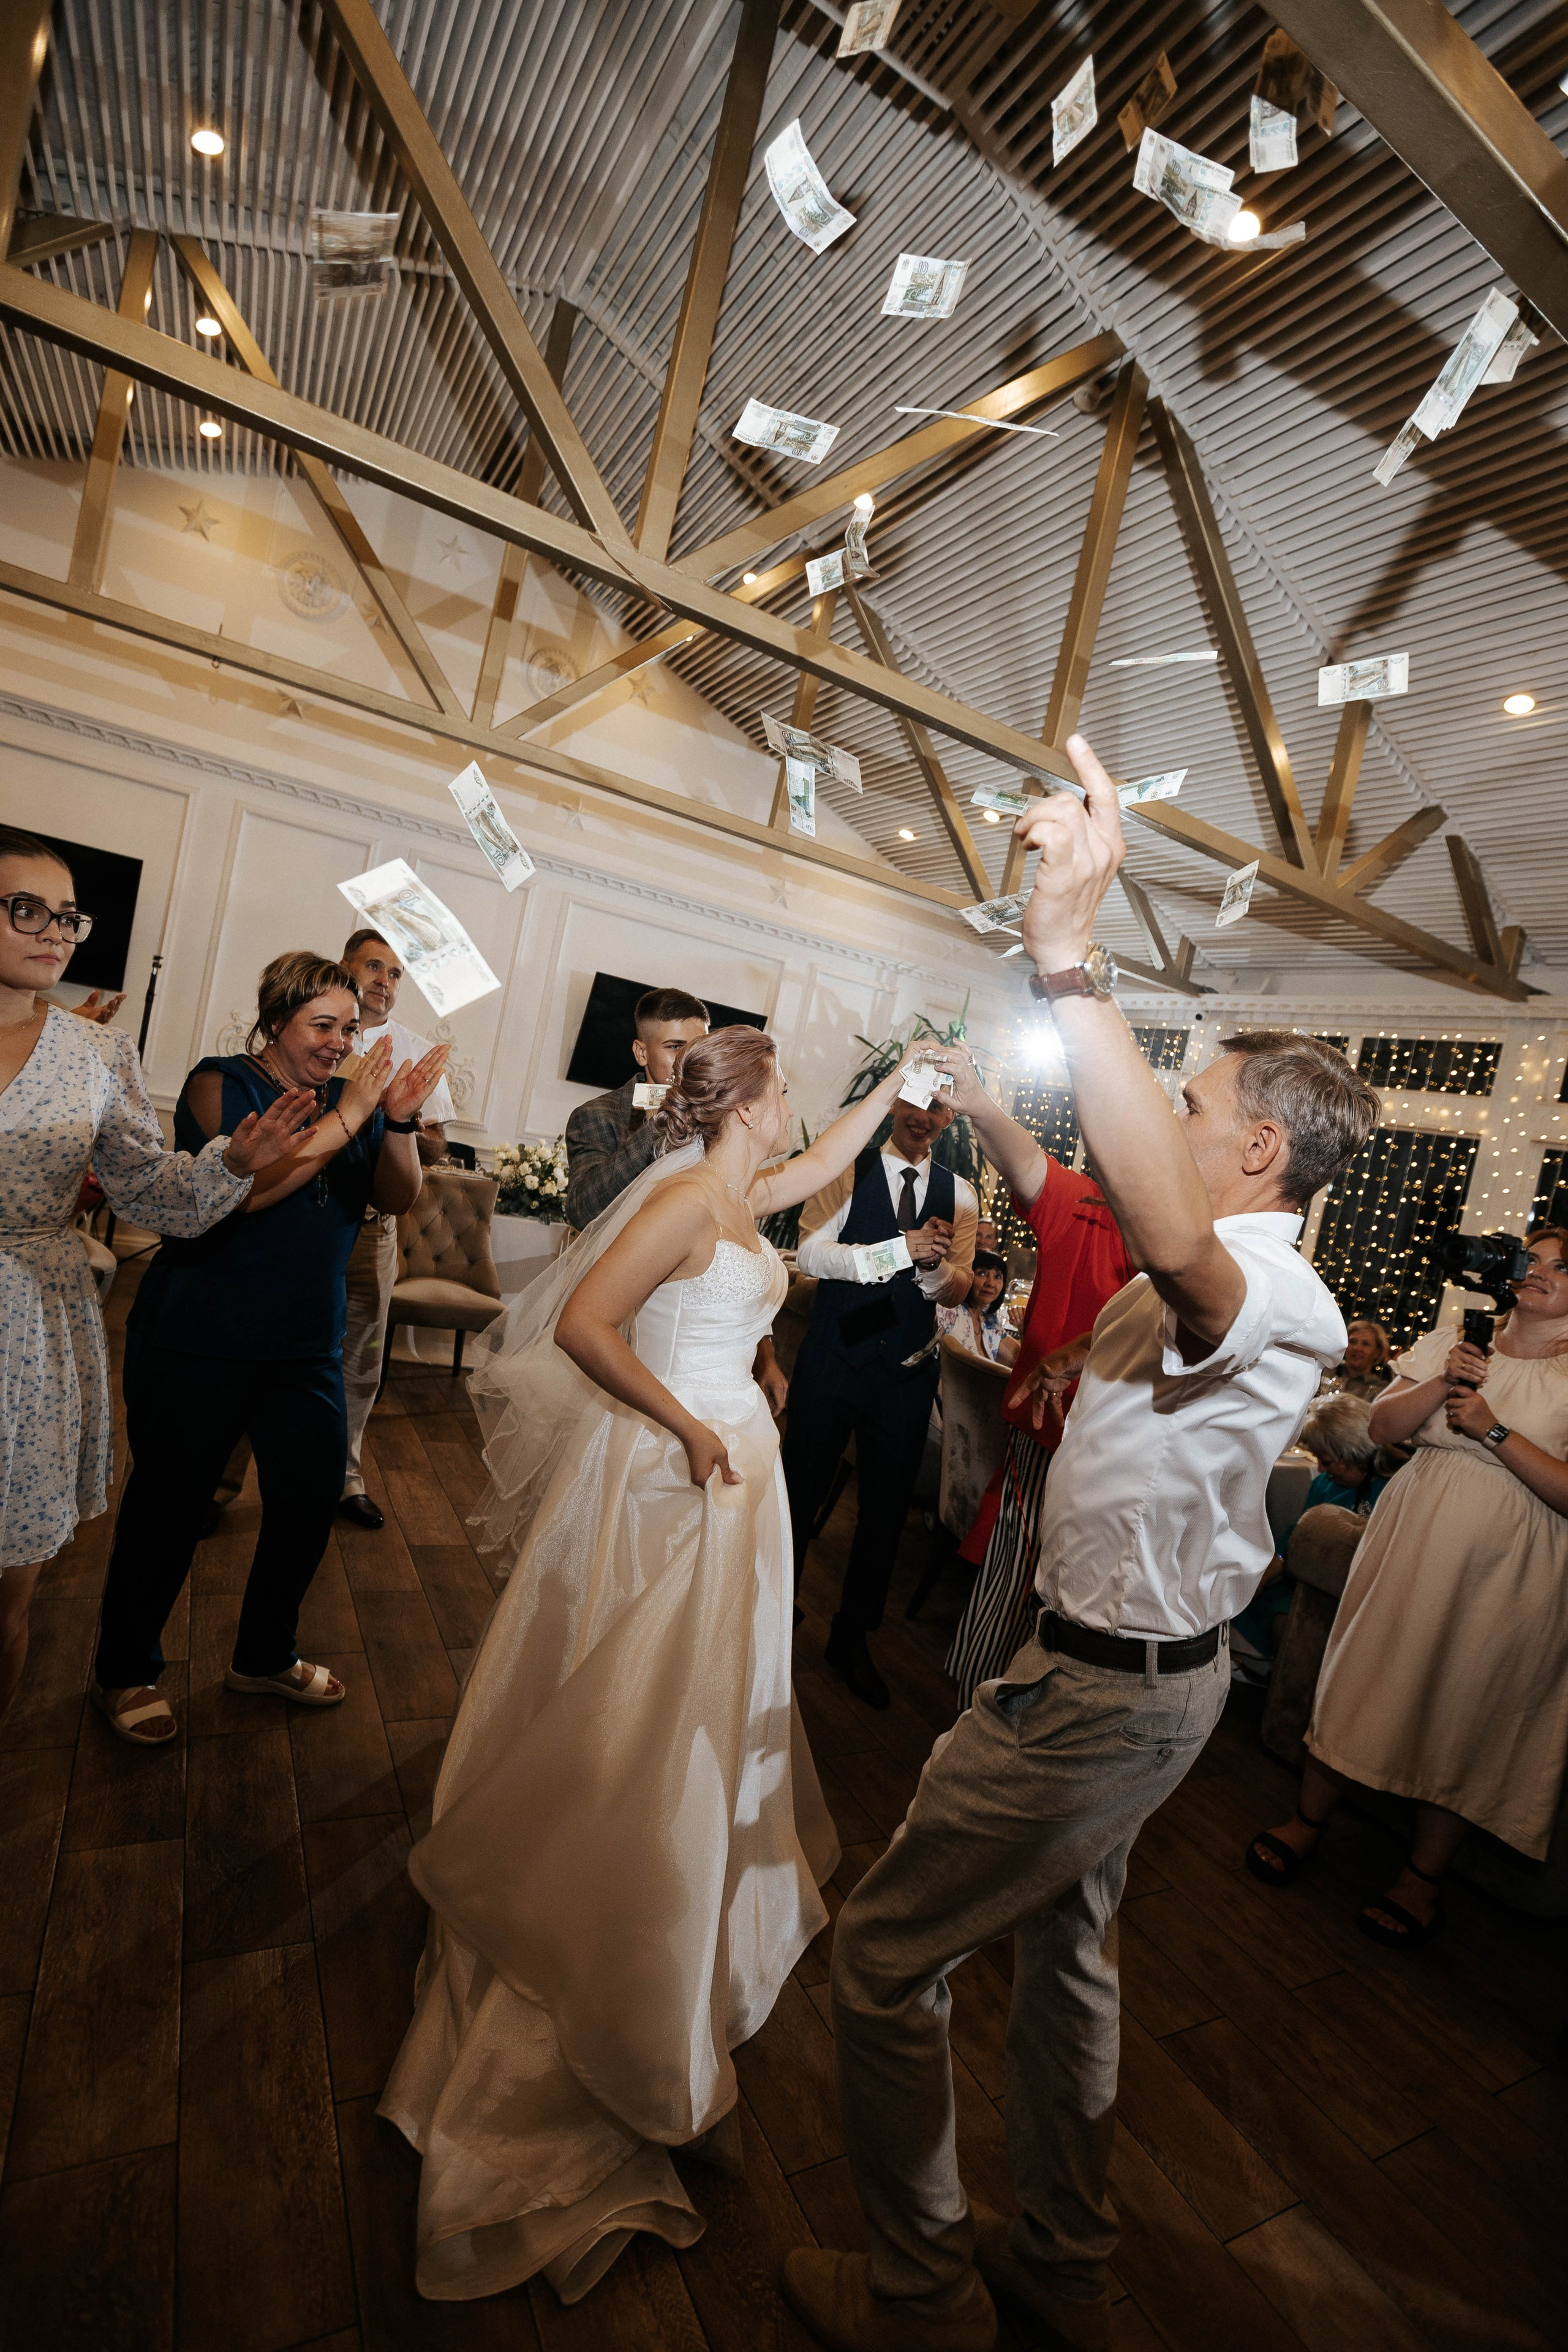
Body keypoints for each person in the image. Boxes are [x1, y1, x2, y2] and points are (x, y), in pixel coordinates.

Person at [781, 733, 1379, 2352]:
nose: (1165, 1126)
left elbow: (1171, 1246)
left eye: (1191, 1106)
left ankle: (921, 2305)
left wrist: (1068, 952)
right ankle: (1064, 2255)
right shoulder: (1219, 1254)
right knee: (1070, 1968)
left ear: (1255, 1149)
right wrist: (987, 1093)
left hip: (1103, 1696)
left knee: (882, 1968)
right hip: (1118, 1677)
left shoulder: (1273, 1286)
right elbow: (1086, 1190)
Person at [378, 1028, 934, 2304]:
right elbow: (581, 1324)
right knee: (630, 1711)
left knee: (694, 1701)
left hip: (731, 1474)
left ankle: (668, 1876)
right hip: (671, 1474)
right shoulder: (688, 1198)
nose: (793, 1105)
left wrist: (894, 1084)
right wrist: (688, 1422)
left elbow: (820, 1166)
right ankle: (603, 1879)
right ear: (743, 1101)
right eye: (783, 1086)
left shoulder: (739, 1188)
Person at [90, 951, 448, 1744]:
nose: (338, 1040)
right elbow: (244, 1194)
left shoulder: (349, 1101)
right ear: (277, 1019)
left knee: (309, 1499)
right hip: (201, 1337)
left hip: (304, 1345)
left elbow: (396, 1197)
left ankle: (263, 1655)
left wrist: (392, 1121)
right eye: (323, 1025)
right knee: (170, 1509)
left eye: (349, 1028)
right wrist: (352, 1113)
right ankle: (126, 1669)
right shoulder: (221, 1083)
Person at [0, 827, 312, 1721]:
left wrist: (231, 1163)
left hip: (29, 1322)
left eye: (67, 916)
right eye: (27, 909)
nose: (55, 931)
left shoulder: (97, 1055)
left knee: (7, 1594)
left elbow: (154, 1193)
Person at [1246, 1227, 1568, 1950]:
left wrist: (1493, 1431)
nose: (1538, 1272)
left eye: (1561, 1266)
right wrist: (1444, 1378)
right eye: (1533, 1259)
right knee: (1370, 1668)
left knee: (1464, 1703)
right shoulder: (1459, 1336)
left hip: (1511, 1568)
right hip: (1413, 1537)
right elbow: (1380, 1427)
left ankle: (1421, 1880)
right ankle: (1307, 1819)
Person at [922, 1050, 1137, 1709]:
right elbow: (1024, 1162)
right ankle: (972, 1715)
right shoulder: (1083, 1202)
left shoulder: (1183, 1240)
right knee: (1010, 1578)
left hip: (1119, 1457)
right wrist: (979, 1100)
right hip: (1044, 1434)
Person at [783, 1080, 978, 1708]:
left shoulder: (962, 1195)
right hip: (833, 1359)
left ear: (951, 1117)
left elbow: (962, 1288)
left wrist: (932, 1271)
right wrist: (899, 1250)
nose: (924, 1118)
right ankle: (769, 1612)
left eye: (939, 1109)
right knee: (798, 1492)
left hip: (905, 1371)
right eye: (915, 1103)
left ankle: (852, 1636)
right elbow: (810, 1252)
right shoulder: (848, 1164)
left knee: (886, 1512)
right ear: (894, 1102)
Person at [334, 927, 458, 1531]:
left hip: (372, 1227)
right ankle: (220, 1485)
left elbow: (437, 1146)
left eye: (395, 973)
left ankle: (345, 1479)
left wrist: (398, 1115)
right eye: (374, 966)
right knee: (269, 1348)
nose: (384, 981)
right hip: (300, 1214)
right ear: (345, 967)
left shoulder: (414, 1049)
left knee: (360, 1358)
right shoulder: (317, 1027)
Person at [1230, 1391, 1389, 1673]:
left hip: (1358, 1594)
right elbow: (1294, 1539)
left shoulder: (1392, 1490)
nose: (1320, 1469)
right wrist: (1266, 1573)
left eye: (1327, 1460)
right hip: (1307, 1582)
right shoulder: (1324, 1486)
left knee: (1284, 1617)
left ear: (1352, 1451)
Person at [563, 986, 710, 1227]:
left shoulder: (714, 1115)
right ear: (642, 1053)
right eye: (675, 1047)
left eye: (697, 1048)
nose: (688, 1059)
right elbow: (583, 1211)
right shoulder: (598, 1115)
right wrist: (663, 1121)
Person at [935, 1250, 1013, 1365]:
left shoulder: (989, 1320)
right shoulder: (948, 1311)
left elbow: (1017, 1358)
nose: (990, 1283)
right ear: (967, 1276)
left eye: (997, 1277)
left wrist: (1022, 1329)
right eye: (982, 1274)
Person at [1324, 1316, 1394, 1401]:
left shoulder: (1382, 1391)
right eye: (1353, 1342)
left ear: (1377, 1353)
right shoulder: (1325, 1373)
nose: (1357, 1348)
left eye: (1366, 1344)